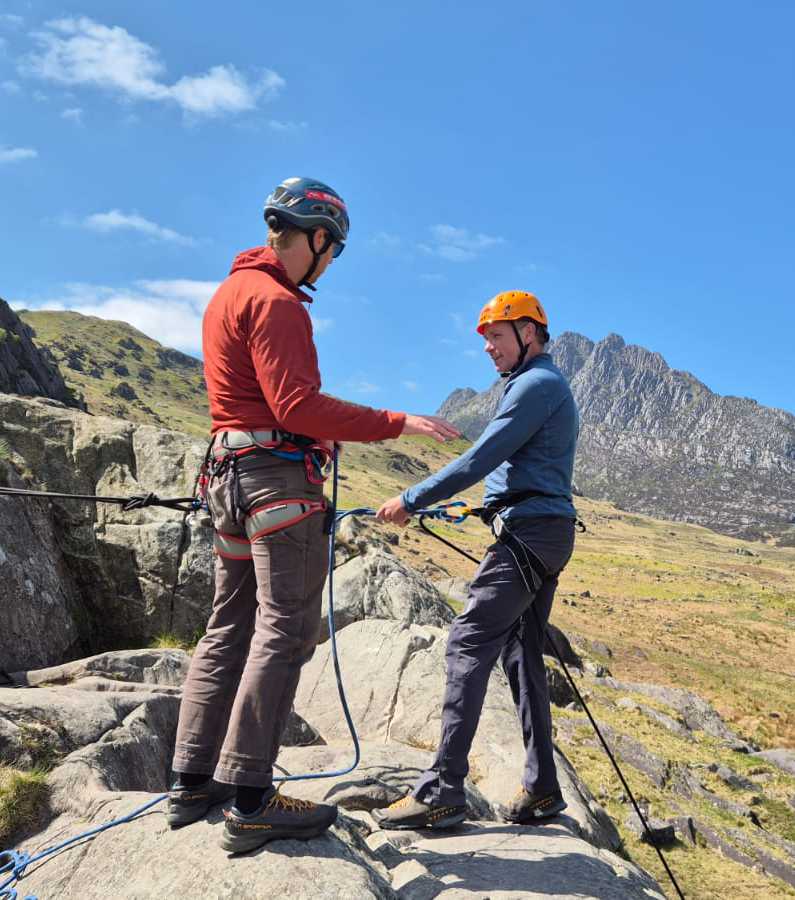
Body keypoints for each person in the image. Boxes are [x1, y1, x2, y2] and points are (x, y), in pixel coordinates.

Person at [167, 176, 460, 853]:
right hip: (277, 487)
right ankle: (250, 796)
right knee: (286, 629)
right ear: (318, 237)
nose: (330, 262)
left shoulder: (226, 295)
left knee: (229, 626)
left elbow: (260, 401)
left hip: (227, 481)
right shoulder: (278, 301)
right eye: (333, 250)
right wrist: (396, 423)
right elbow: (296, 404)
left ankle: (191, 779)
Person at [372, 290, 579, 830]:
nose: (488, 347)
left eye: (497, 335)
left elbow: (482, 456)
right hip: (543, 532)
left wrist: (412, 499)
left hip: (529, 537)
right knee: (520, 650)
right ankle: (543, 788)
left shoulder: (536, 384)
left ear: (529, 333)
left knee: (467, 641)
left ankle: (442, 789)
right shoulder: (540, 385)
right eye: (485, 339)